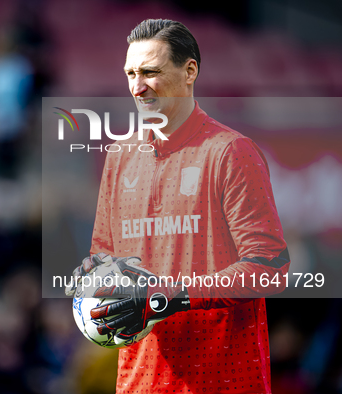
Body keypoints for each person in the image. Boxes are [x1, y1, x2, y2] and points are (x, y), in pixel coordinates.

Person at [67, 19, 290, 393]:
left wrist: (171, 296)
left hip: (225, 383)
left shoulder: (231, 152)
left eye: (150, 72)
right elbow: (105, 255)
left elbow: (269, 268)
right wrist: (92, 275)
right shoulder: (120, 156)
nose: (137, 87)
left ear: (190, 72)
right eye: (131, 73)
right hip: (139, 383)